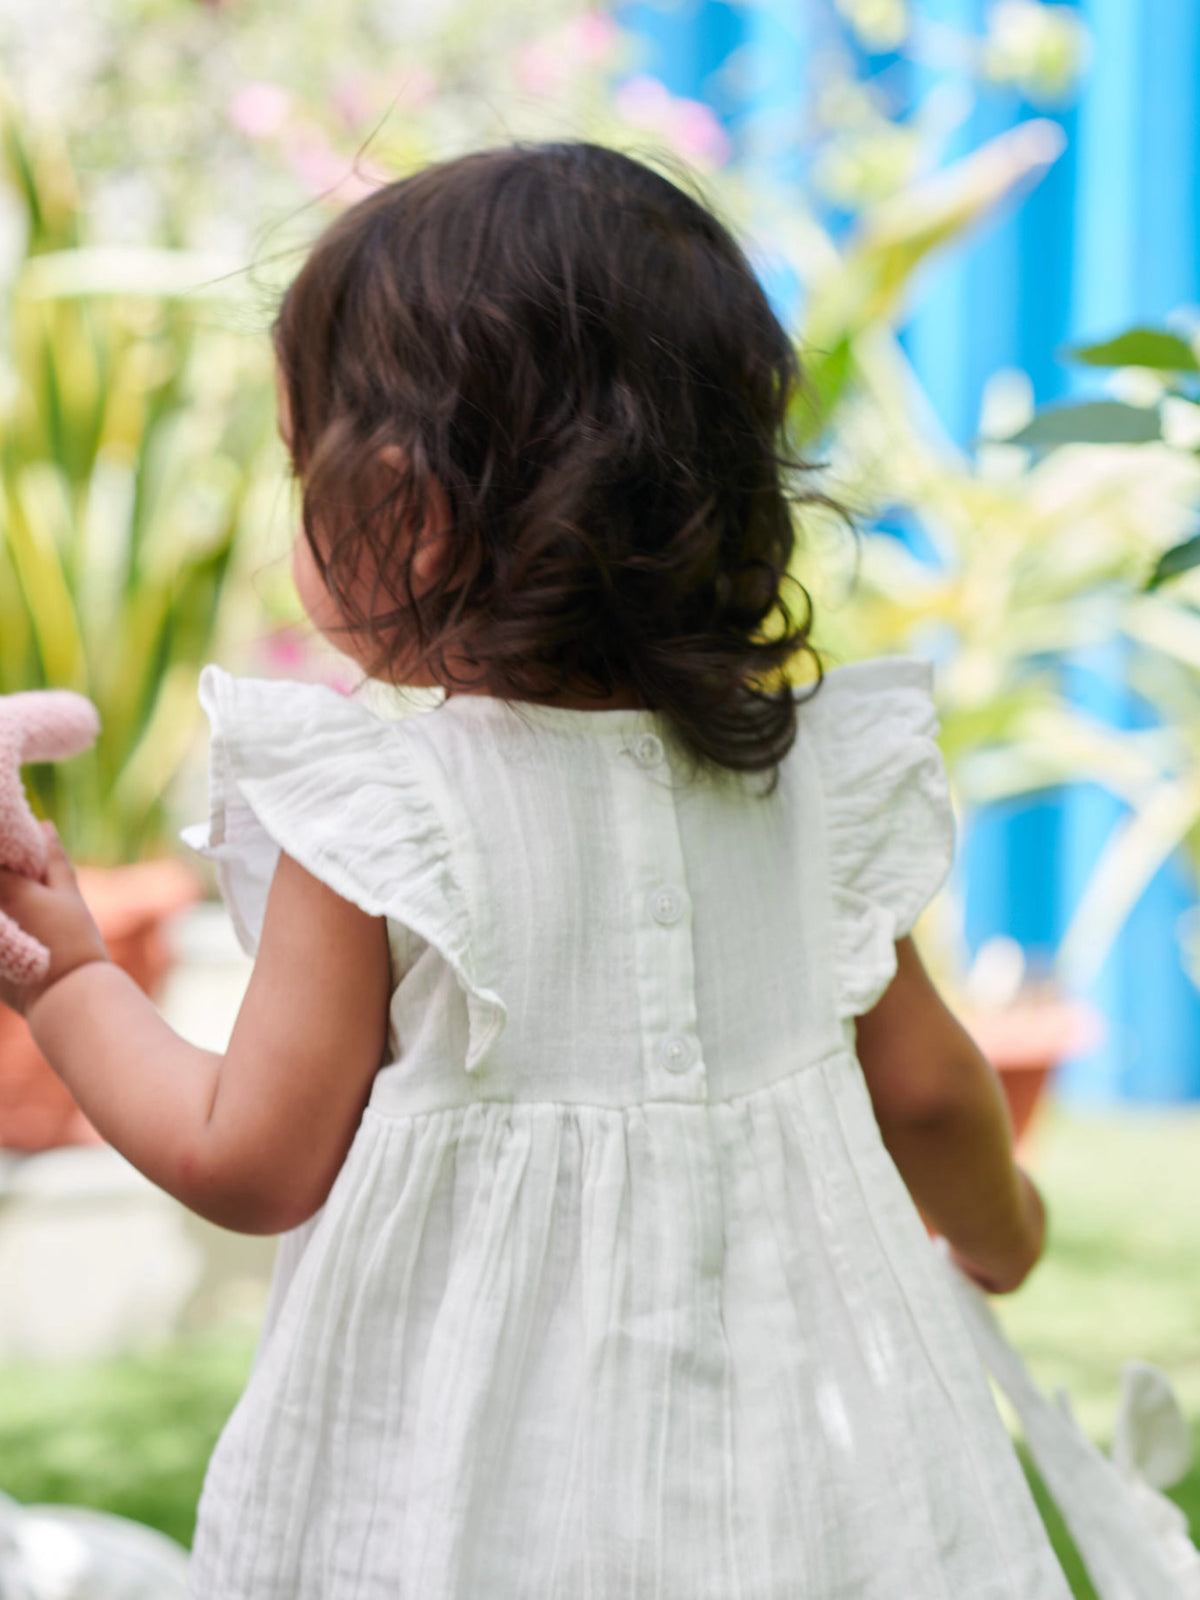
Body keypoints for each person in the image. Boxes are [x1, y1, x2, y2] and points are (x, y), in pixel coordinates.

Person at [0, 142, 1067, 1598]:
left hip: (468, 1500)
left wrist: (61, 964)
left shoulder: (381, 810)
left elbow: (246, 1159)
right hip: (794, 1495)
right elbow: (935, 1090)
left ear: (406, 509)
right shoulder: (810, 786)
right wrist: (1004, 1240)